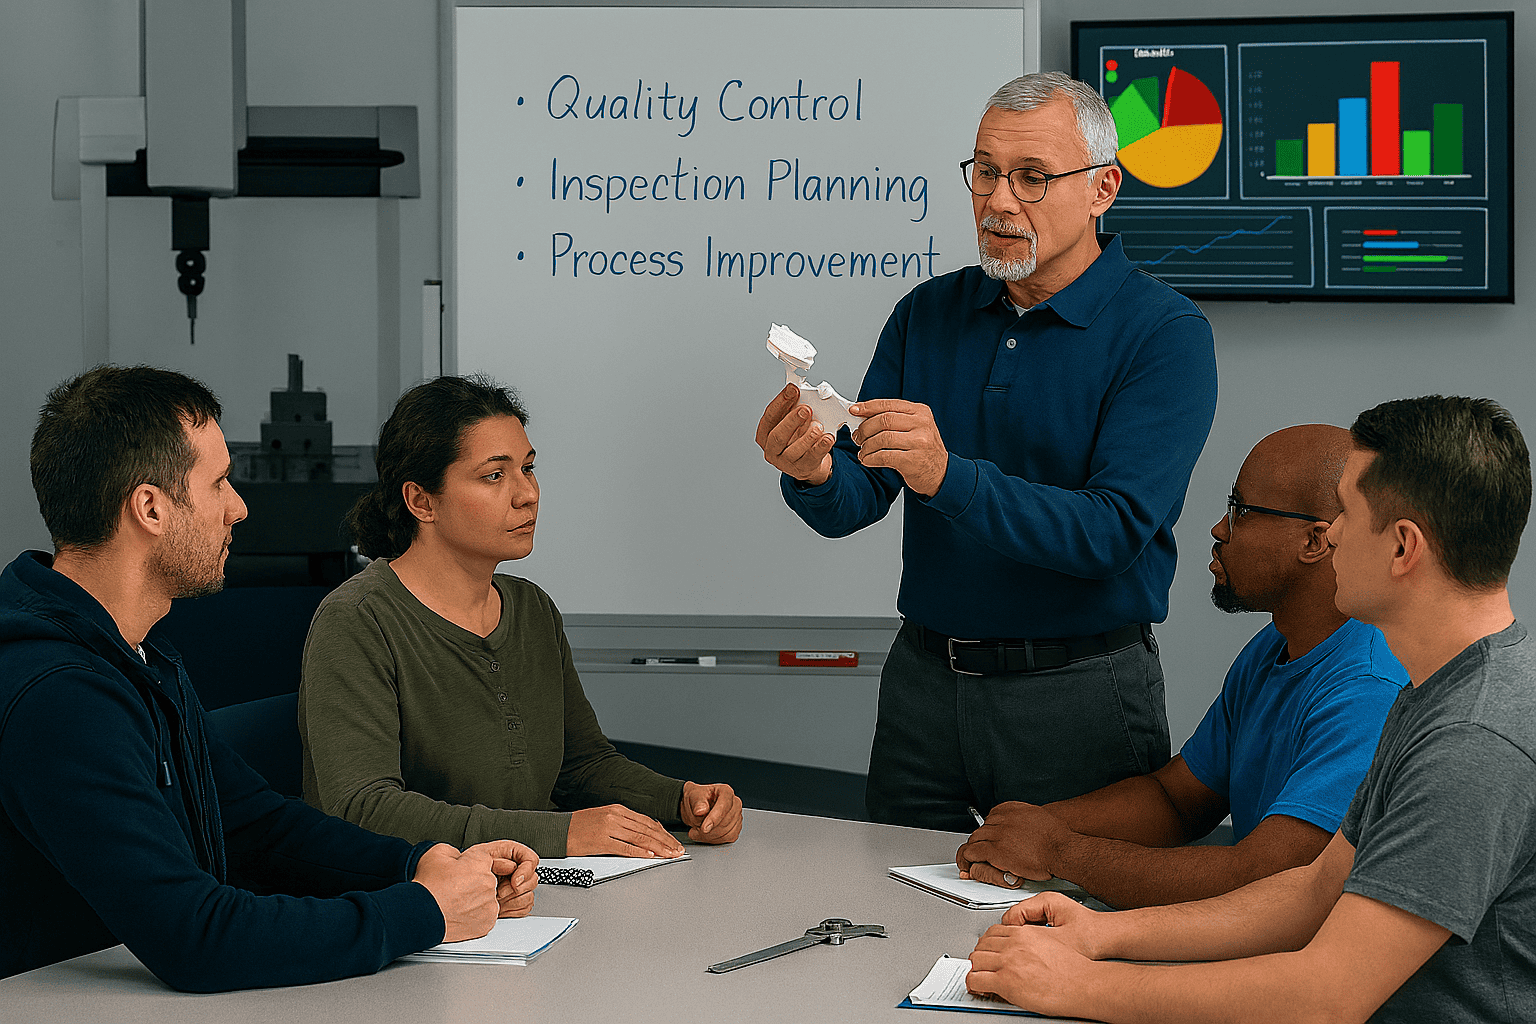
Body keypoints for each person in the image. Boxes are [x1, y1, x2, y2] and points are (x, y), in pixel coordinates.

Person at [966, 395, 1536, 1023]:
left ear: (1403, 548)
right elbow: (1311, 891)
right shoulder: (1436, 689)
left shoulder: (1472, 740)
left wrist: (1080, 986)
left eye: (1347, 513)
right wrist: (1101, 936)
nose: (1334, 533)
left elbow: (1328, 994)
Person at [755, 71, 1218, 831]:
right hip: (924, 686)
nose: (999, 201)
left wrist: (947, 477)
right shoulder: (928, 312)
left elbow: (1110, 535)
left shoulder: (1164, 334)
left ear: (1103, 189)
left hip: (1078, 692)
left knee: (1066, 930)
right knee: (889, 912)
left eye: (1033, 177)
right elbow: (857, 499)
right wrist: (810, 470)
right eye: (986, 172)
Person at [0, 366, 538, 990]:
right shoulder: (60, 694)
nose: (239, 507)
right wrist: (424, 910)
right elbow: (197, 937)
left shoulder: (137, 655)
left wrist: (423, 864)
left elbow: (259, 827)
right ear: (149, 507)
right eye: (220, 483)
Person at [955, 424, 1405, 909]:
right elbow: (1176, 800)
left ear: (1316, 541)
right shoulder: (1274, 646)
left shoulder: (1368, 686)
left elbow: (1265, 878)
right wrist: (1030, 825)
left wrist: (1062, 852)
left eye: (1241, 511)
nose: (1219, 529)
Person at [299, 375, 743, 858]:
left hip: (530, 895)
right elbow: (365, 809)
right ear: (421, 501)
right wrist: (560, 834)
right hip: (417, 909)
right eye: (494, 476)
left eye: (528, 469)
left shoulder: (532, 609)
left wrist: (680, 800)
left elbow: (581, 766)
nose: (526, 494)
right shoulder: (357, 621)